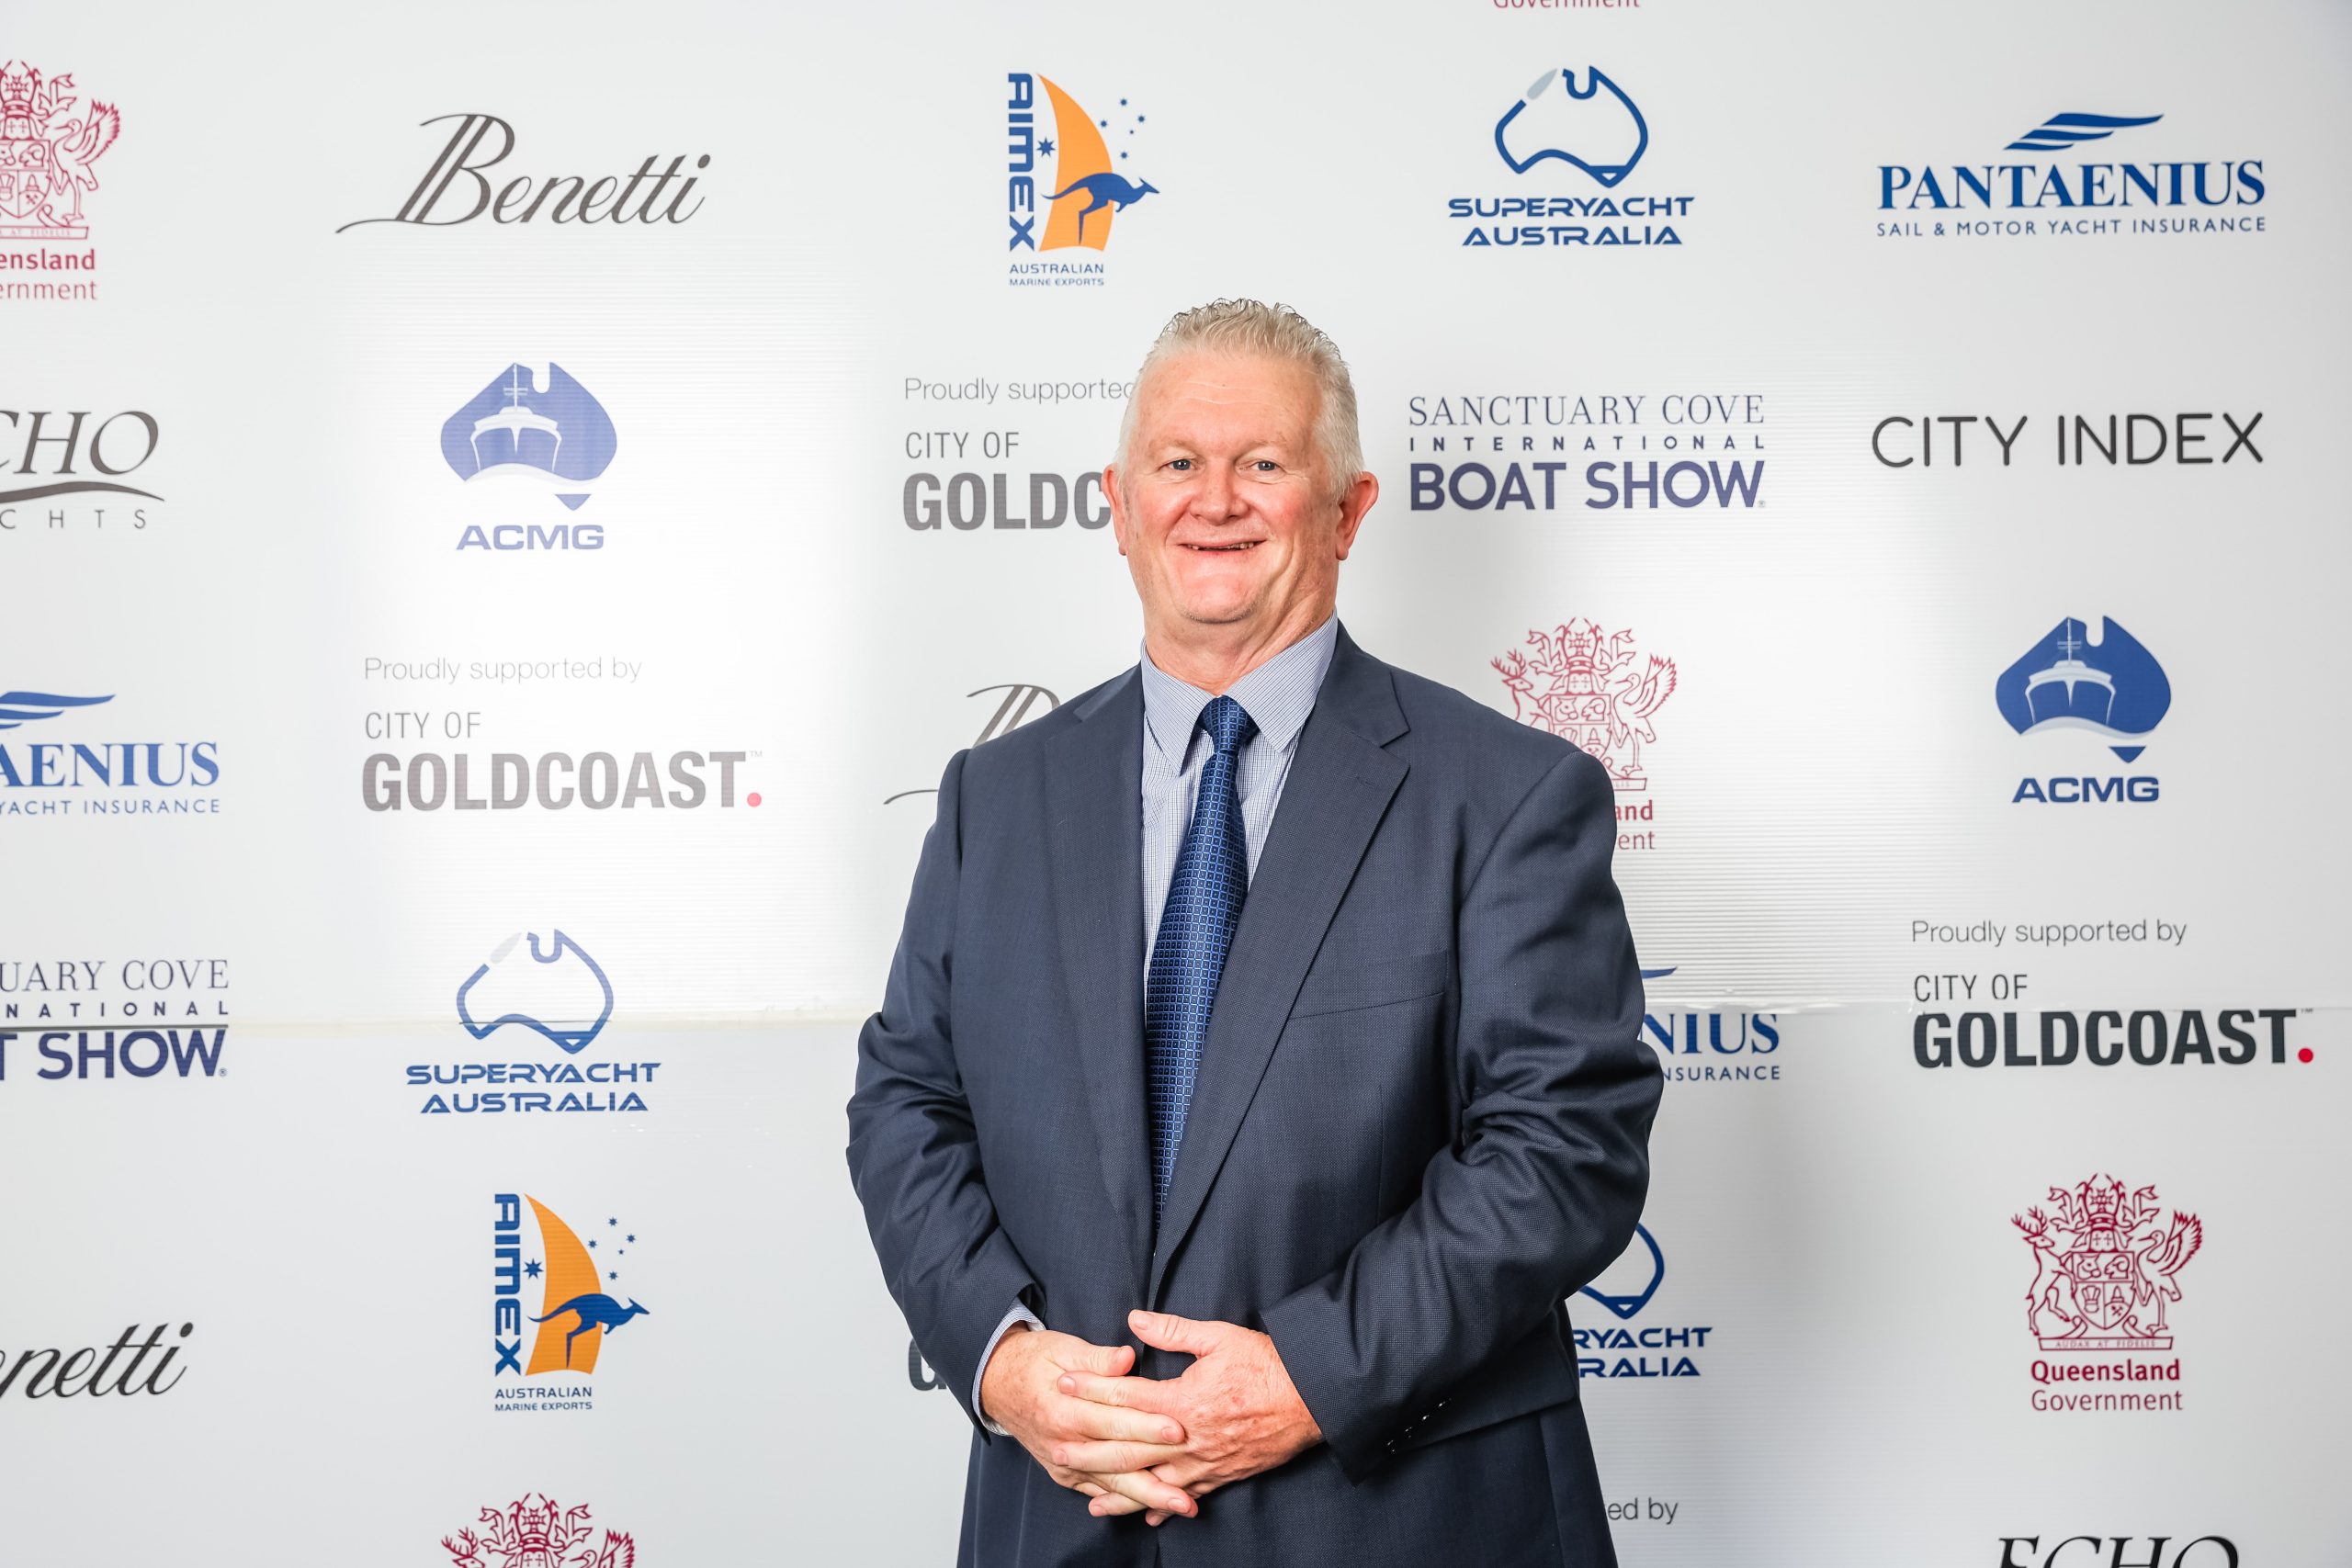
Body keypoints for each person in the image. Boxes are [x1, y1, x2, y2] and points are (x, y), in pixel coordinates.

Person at [848, 299, 1662, 1566]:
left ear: (1346, 509)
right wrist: (1002, 1360)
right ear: (1119, 504)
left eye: (1265, 463)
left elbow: (1564, 1147)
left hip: (1397, 1521)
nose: (1214, 500)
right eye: (1178, 461)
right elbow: (908, 1104)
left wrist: (1309, 1376)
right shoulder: (994, 799)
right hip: (1067, 1515)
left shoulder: (1509, 797)